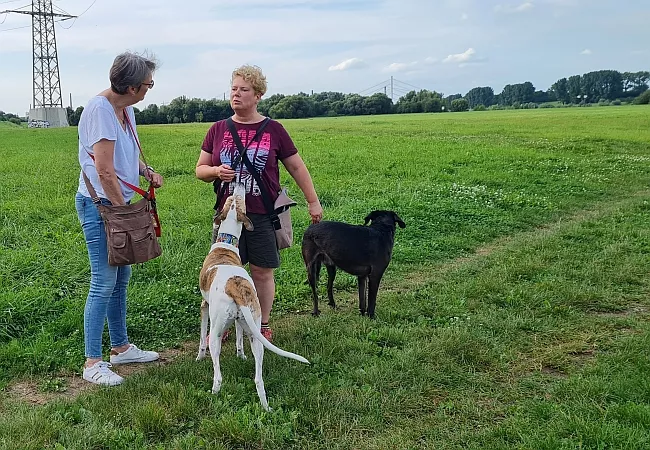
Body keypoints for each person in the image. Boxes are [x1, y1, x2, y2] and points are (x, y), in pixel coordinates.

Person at [196, 64, 323, 342]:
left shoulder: (273, 130)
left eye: (244, 90)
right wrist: (216, 171)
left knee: (262, 272)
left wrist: (313, 201)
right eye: (234, 89)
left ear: (258, 96)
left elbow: (297, 168)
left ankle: (262, 323)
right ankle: (224, 322)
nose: (237, 94)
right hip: (228, 217)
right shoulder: (218, 129)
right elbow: (200, 170)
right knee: (223, 271)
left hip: (263, 215)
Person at [75, 51, 164, 386]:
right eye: (147, 85)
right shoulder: (100, 110)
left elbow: (124, 157)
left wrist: (146, 170)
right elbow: (104, 170)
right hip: (101, 208)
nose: (148, 90)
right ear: (129, 86)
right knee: (103, 282)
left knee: (120, 279)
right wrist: (122, 212)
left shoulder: (124, 109)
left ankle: (121, 348)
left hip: (115, 207)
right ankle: (92, 362)